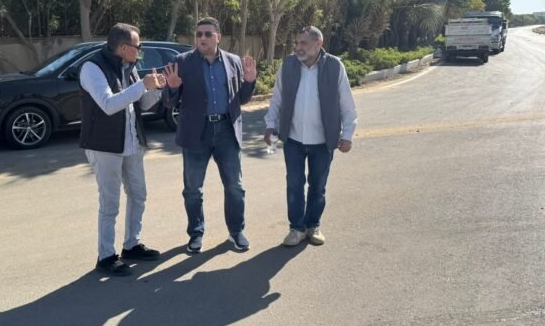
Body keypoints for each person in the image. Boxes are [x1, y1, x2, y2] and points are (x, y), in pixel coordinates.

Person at [161, 17, 257, 253]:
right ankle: (196, 233)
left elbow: (242, 99)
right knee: (193, 189)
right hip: (196, 132)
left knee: (234, 186)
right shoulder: (182, 62)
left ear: (218, 37)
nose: (202, 38)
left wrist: (249, 81)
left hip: (226, 130)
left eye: (207, 34)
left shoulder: (233, 61)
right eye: (199, 34)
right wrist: (172, 87)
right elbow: (169, 102)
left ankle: (236, 232)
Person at [79, 23, 166, 276]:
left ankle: (132, 244)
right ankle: (106, 256)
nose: (140, 51)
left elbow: (142, 104)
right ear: (124, 47)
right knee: (110, 203)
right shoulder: (92, 68)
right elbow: (108, 104)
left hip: (131, 141)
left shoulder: (129, 67)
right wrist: (142, 85)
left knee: (138, 194)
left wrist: (158, 88)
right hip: (104, 145)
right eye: (138, 47)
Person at [264, 26, 357, 247]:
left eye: (304, 43)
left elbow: (347, 103)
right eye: (297, 43)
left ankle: (313, 225)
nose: (298, 47)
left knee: (318, 187)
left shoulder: (334, 66)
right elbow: (277, 98)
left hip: (323, 142)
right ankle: (296, 229)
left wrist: (347, 135)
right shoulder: (288, 65)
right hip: (293, 140)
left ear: (318, 44)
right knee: (294, 185)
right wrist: (270, 126)